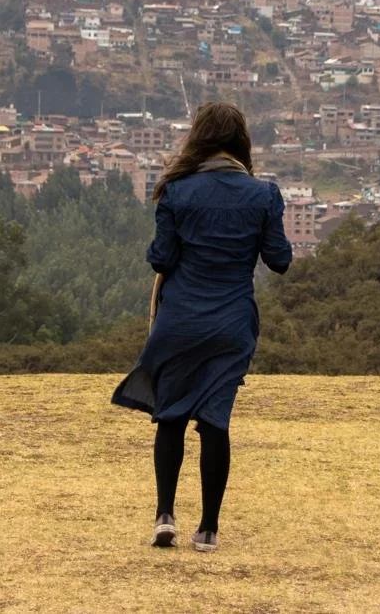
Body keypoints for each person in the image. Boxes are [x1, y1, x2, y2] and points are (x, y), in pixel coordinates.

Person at [111, 101, 293, 553]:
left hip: (180, 320)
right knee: (215, 422)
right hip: (231, 323)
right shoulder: (263, 194)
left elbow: (160, 258)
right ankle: (209, 529)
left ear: (199, 138)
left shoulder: (176, 191)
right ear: (240, 142)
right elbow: (281, 261)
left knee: (170, 415)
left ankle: (164, 515)